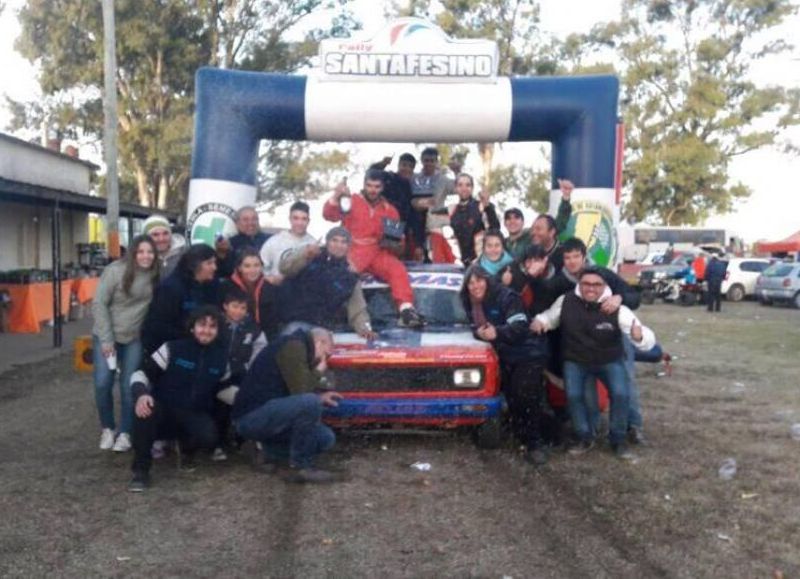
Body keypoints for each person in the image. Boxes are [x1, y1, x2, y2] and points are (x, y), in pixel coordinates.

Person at [532, 267, 656, 460]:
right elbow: (549, 317)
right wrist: (540, 322)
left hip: (609, 360)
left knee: (622, 394)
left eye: (596, 285)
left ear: (604, 286)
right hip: (576, 360)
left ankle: (618, 440)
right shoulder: (566, 301)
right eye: (586, 284)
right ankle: (584, 437)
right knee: (574, 397)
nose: (591, 289)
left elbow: (643, 335)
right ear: (579, 284)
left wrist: (639, 337)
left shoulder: (616, 307)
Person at [128, 306, 229, 491]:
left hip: (194, 413)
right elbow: (140, 374)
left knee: (209, 436)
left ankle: (186, 449)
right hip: (164, 409)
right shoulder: (172, 348)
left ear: (218, 330)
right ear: (192, 327)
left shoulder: (222, 358)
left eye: (212, 326)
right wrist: (141, 394)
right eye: (202, 325)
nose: (206, 330)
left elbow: (226, 390)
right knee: (145, 411)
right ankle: (141, 471)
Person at [461, 266, 550, 465]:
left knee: (525, 395)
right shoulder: (470, 303)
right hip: (504, 356)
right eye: (471, 283)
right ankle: (521, 437)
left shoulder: (506, 296)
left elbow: (519, 326)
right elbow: (475, 328)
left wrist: (497, 333)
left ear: (487, 280)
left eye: (479, 280)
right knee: (512, 397)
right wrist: (480, 334)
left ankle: (535, 444)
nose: (475, 286)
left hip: (527, 353)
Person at [232, 326, 343, 483]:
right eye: (326, 353)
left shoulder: (298, 346)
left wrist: (320, 396)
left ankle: (262, 450)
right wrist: (319, 370)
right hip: (251, 415)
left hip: (271, 413)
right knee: (310, 402)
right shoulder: (294, 346)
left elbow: (296, 389)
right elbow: (302, 392)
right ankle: (300, 467)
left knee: (325, 438)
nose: (326, 358)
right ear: (319, 343)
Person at [323, 169, 425, 328]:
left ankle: (406, 310)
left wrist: (395, 243)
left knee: (397, 268)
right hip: (352, 250)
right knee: (343, 275)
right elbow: (329, 215)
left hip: (377, 251)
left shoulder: (390, 210)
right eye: (369, 185)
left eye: (377, 186)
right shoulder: (351, 200)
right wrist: (337, 195)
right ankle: (330, 313)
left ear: (382, 187)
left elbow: (399, 247)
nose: (372, 190)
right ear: (364, 184)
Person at [92, 235, 160, 452]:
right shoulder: (115, 271)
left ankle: (125, 432)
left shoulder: (156, 274)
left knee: (129, 385)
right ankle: (108, 428)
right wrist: (106, 339)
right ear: (133, 253)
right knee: (103, 383)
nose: (145, 256)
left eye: (150, 251)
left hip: (134, 338)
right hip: (107, 335)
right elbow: (99, 303)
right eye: (141, 251)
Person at [278, 226, 376, 339]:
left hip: (324, 329)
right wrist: (305, 253)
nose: (338, 245)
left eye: (343, 242)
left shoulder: (350, 274)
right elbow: (285, 268)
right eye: (334, 240)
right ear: (327, 242)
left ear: (348, 246)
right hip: (297, 323)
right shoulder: (310, 255)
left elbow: (358, 309)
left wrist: (365, 329)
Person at [213, 286, 268, 460]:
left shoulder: (251, 327)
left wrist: (250, 369)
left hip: (241, 375)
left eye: (243, 308)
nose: (239, 311)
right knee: (220, 409)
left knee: (247, 401)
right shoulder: (215, 324)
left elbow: (260, 349)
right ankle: (218, 443)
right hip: (216, 377)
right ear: (225, 306)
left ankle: (243, 439)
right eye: (235, 306)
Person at [140, 243, 221, 355]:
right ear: (195, 265)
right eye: (209, 263)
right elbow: (157, 326)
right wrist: (191, 334)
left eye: (214, 262)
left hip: (200, 347)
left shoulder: (211, 286)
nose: (214, 267)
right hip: (170, 350)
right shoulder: (170, 288)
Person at [219, 248, 279, 339]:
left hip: (264, 335)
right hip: (233, 334)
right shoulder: (227, 287)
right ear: (239, 268)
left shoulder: (269, 287)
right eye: (247, 266)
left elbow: (273, 320)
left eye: (256, 265)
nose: (252, 270)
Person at [370, 153, 418, 259]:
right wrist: (382, 163)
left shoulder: (412, 186)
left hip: (403, 230)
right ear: (398, 165)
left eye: (410, 167)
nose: (406, 169)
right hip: (386, 225)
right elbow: (372, 172)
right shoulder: (389, 177)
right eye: (404, 165)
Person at [259, 201, 316, 284]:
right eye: (296, 218)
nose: (299, 223)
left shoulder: (313, 244)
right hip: (277, 290)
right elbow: (259, 268)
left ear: (308, 221)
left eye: (304, 219)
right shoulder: (274, 241)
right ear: (290, 219)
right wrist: (268, 278)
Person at [449, 173, 500, 265]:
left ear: (472, 188)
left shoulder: (481, 206)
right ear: (455, 188)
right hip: (460, 262)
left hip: (481, 262)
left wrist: (488, 207)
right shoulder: (452, 210)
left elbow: (495, 229)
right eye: (460, 185)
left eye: (468, 185)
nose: (464, 188)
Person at [530, 179, 575, 273]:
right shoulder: (530, 251)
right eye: (533, 229)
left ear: (552, 232)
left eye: (538, 229)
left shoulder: (565, 253)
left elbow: (562, 218)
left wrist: (566, 197)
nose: (534, 232)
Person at [216, 206, 271, 278]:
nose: (250, 223)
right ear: (237, 223)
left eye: (254, 219)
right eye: (245, 220)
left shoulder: (271, 240)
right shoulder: (230, 243)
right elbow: (223, 272)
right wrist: (221, 254)